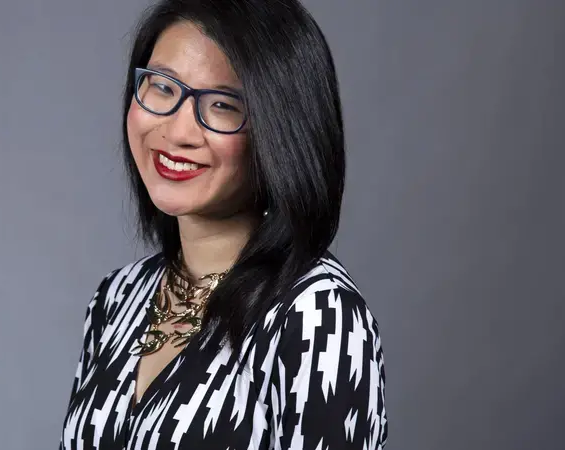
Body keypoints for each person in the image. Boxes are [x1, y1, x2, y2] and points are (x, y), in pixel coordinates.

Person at [60, 0, 387, 448]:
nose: (177, 131)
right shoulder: (116, 300)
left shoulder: (318, 317)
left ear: (282, 131)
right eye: (162, 86)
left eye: (222, 105)